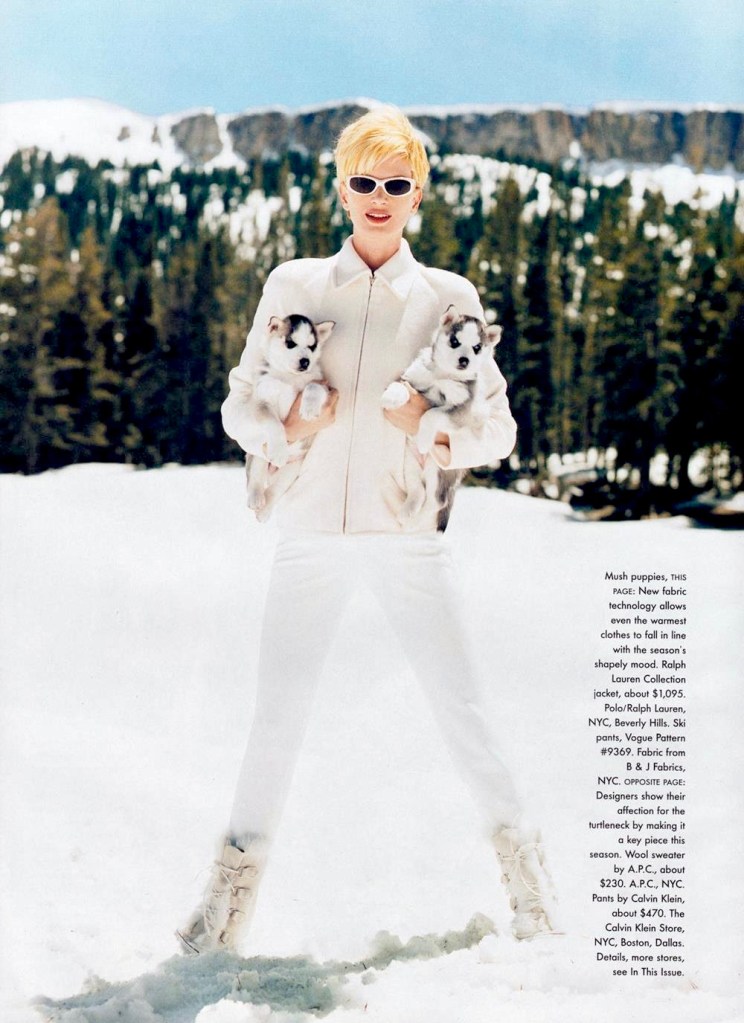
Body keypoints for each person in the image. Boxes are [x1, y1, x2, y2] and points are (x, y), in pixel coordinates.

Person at [177, 105, 557, 955]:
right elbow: (241, 406)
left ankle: (531, 888)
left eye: (396, 183)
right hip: (309, 533)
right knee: (276, 715)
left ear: (418, 192)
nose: (378, 198)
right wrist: (297, 428)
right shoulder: (297, 286)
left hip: (407, 536)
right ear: (341, 187)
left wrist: (430, 420)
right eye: (363, 181)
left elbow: (497, 430)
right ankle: (224, 909)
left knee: (462, 708)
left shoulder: (448, 298)